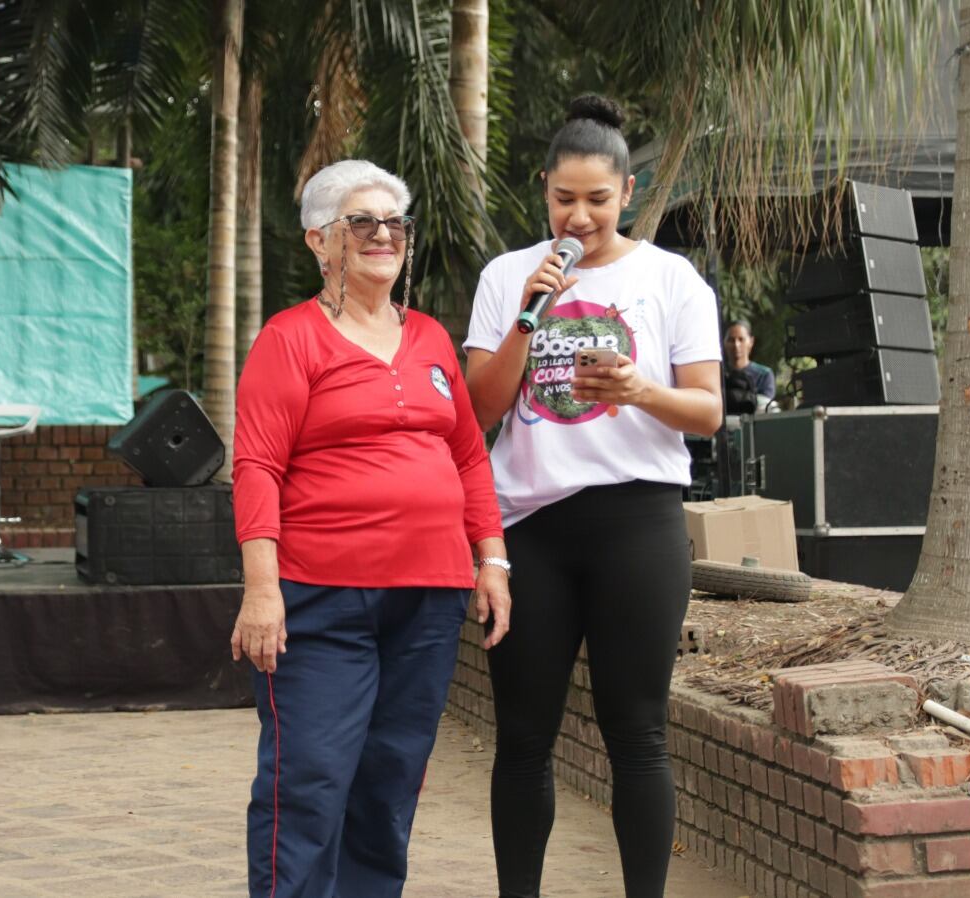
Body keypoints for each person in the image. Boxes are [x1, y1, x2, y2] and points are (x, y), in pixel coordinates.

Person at [462, 95, 723, 898]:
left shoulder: (670, 279)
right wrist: (525, 322)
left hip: (637, 524)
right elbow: (477, 409)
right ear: (543, 190)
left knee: (637, 733)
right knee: (524, 739)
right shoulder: (509, 277)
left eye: (598, 200)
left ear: (629, 193)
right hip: (532, 530)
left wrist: (640, 389)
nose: (579, 217)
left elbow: (707, 411)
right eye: (563, 199)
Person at [231, 159, 511, 898]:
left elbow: (466, 455)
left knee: (391, 782)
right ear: (321, 242)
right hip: (321, 599)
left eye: (395, 223)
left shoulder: (428, 338)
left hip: (428, 597)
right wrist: (262, 591)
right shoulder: (289, 340)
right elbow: (257, 466)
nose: (384, 234)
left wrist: (492, 557)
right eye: (363, 222)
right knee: (311, 781)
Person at [723, 319, 776, 413]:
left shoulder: (764, 375)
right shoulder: (717, 375)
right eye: (731, 340)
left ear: (751, 342)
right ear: (724, 343)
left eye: (741, 339)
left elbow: (765, 409)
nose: (736, 345)